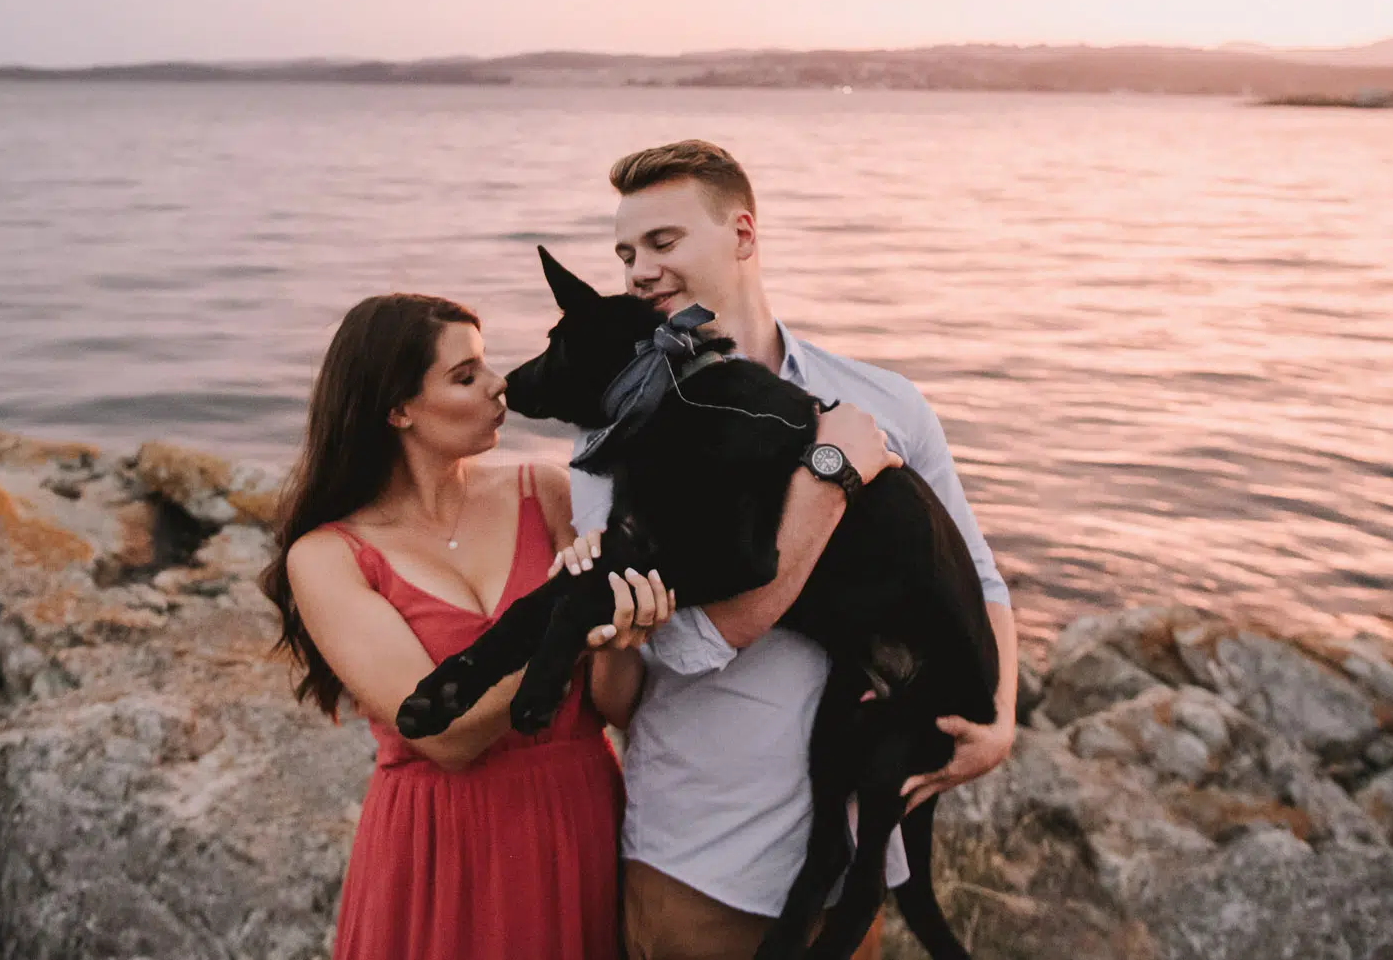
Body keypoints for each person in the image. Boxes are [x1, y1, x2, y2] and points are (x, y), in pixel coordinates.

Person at [555, 141, 1019, 960]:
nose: (637, 271)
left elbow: (979, 576)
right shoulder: (618, 439)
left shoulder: (888, 401)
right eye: (626, 253)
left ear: (742, 234)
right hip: (703, 863)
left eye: (663, 242)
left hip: (851, 871)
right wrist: (827, 474)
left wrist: (1000, 719)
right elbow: (685, 644)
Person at [261, 293, 674, 960]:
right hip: (438, 845)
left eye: (486, 366)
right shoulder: (329, 556)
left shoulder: (548, 492)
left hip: (577, 817)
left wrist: (623, 632)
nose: (498, 384)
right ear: (399, 409)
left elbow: (613, 701)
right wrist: (565, 620)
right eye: (466, 376)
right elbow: (444, 736)